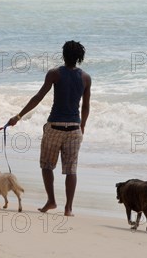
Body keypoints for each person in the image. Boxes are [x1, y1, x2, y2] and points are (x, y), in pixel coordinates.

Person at [7, 41, 91, 217]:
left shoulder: (55, 74)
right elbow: (85, 106)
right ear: (79, 58)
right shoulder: (85, 78)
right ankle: (68, 208)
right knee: (71, 169)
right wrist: (82, 126)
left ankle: (51, 200)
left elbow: (38, 97)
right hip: (74, 129)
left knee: (46, 166)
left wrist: (18, 116)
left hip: (54, 126)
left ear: (63, 55)